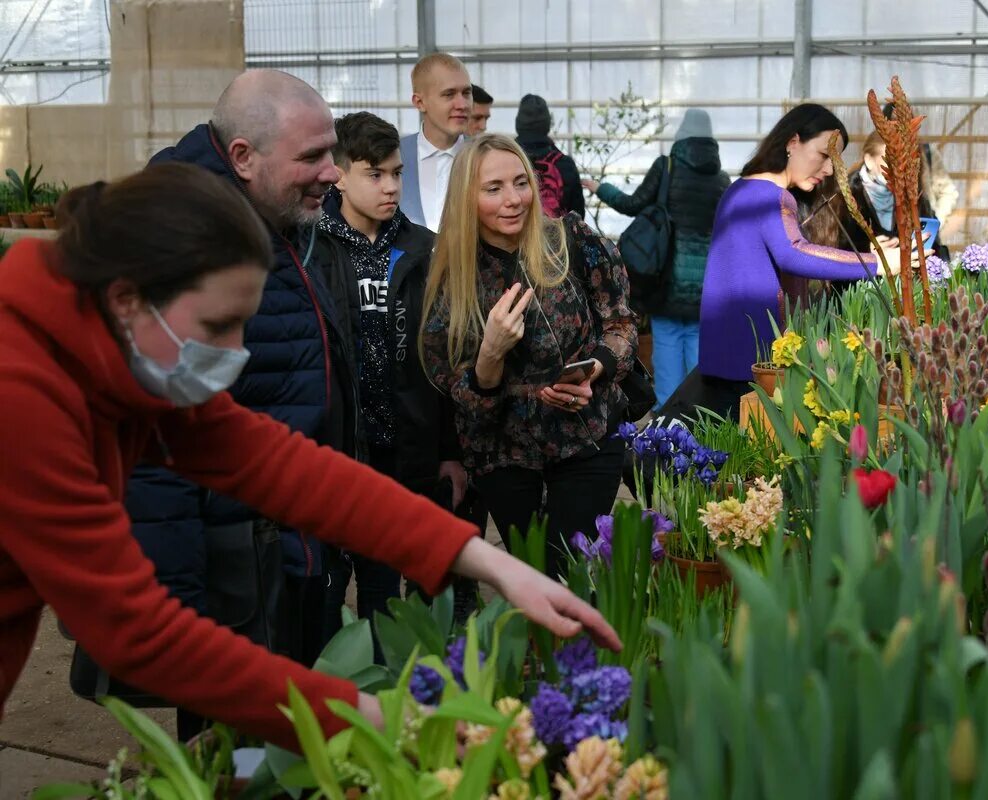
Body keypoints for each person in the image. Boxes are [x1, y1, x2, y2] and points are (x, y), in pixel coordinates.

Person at [0, 163, 619, 751]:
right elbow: (136, 631)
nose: (234, 352)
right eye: (218, 325)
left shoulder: (123, 348)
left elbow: (289, 471)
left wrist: (493, 565)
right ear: (128, 297)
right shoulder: (20, 393)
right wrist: (367, 716)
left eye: (244, 323)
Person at [118, 70, 361, 720]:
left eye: (331, 151)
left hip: (296, 547)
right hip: (241, 577)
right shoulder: (184, 244)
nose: (333, 172)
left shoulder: (278, 215)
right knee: (249, 750)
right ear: (243, 158)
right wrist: (178, 617)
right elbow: (154, 449)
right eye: (312, 156)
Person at [421, 133, 636, 579]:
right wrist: (490, 354)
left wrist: (593, 370)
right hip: (503, 454)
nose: (514, 199)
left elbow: (621, 325)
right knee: (532, 577)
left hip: (586, 438)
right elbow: (457, 392)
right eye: (493, 188)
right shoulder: (451, 275)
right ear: (466, 197)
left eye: (521, 183)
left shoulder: (571, 239)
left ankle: (580, 648)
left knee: (572, 572)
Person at [315, 111, 483, 645]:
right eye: (374, 174)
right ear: (338, 174)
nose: (391, 188)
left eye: (396, 174)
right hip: (345, 456)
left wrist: (449, 449)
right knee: (363, 593)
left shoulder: (423, 250)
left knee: (430, 592)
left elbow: (450, 358)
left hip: (413, 450)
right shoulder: (311, 251)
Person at [696, 103, 913, 418]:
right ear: (792, 142)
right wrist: (877, 262)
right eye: (824, 156)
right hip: (751, 365)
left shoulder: (741, 189)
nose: (828, 170)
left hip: (726, 357)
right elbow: (792, 252)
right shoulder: (770, 195)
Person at [583, 109, 730, 408]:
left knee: (666, 348)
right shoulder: (722, 179)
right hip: (705, 286)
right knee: (697, 354)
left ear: (681, 135)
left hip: (665, 281)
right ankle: (698, 421)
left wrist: (602, 188)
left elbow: (632, 204)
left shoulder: (668, 166)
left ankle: (667, 424)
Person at [846, 131, 949, 260]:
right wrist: (867, 252)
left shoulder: (914, 196)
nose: (898, 170)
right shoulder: (847, 197)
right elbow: (833, 251)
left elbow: (935, 247)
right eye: (890, 161)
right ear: (869, 160)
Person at [398, 53, 473, 231]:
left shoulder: (485, 157)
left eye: (467, 93)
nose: (462, 104)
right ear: (420, 102)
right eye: (449, 94)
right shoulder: (393, 156)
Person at [883, 101, 959, 225]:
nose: (899, 125)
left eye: (904, 120)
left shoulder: (927, 152)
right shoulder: (878, 154)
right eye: (894, 120)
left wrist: (936, 222)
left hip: (923, 230)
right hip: (891, 235)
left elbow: (948, 191)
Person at [514, 94, 586, 220]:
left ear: (519, 124)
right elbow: (577, 216)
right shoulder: (565, 165)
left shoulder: (507, 159)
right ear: (547, 124)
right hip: (557, 237)